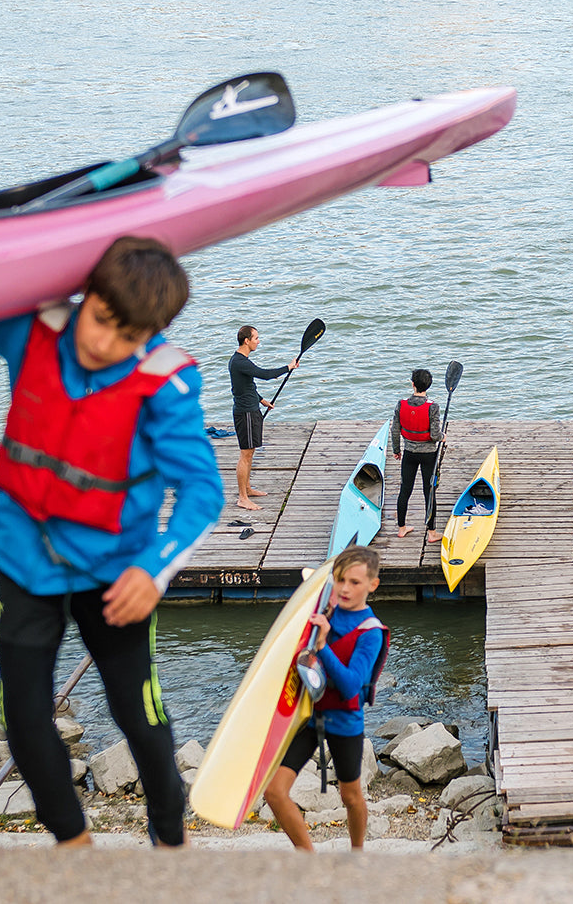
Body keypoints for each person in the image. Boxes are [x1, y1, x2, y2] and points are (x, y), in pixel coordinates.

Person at [0, 236, 224, 848]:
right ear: (87, 296)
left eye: (128, 338)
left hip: (117, 575)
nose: (104, 345)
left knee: (140, 719)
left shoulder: (163, 387)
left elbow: (203, 494)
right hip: (24, 562)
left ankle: (170, 839)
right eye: (100, 322)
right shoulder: (34, 332)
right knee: (22, 718)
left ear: (149, 336)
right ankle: (75, 845)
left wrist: (154, 571)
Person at [264, 545, 389, 852]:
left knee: (350, 796)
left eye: (355, 583)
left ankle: (357, 853)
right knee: (275, 792)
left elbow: (349, 686)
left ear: (372, 585)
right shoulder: (323, 609)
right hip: (309, 717)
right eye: (340, 580)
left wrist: (322, 645)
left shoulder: (370, 632)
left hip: (345, 724)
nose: (345, 588)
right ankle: (308, 856)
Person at [229, 325, 297, 510]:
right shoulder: (239, 362)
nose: (259, 341)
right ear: (247, 341)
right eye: (256, 338)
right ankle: (242, 498)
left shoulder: (241, 361)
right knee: (246, 454)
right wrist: (288, 367)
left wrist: (262, 400)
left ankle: (248, 488)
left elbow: (245, 386)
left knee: (250, 453)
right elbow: (265, 375)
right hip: (246, 413)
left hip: (251, 409)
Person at [390, 368, 444, 544]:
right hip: (429, 455)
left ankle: (401, 528)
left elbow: (395, 429)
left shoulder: (401, 403)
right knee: (429, 491)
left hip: (409, 453)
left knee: (405, 490)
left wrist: (396, 449)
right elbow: (435, 435)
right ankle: (432, 532)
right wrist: (443, 437)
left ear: (412, 384)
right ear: (428, 385)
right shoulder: (433, 407)